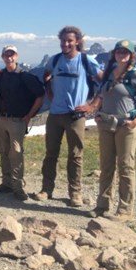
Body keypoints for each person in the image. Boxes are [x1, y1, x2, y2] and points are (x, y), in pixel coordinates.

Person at [79, 40, 136, 222]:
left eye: (125, 52)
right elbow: (103, 94)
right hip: (106, 124)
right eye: (119, 51)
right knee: (106, 165)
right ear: (115, 54)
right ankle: (102, 205)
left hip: (125, 126)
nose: (122, 54)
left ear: (131, 55)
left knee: (126, 166)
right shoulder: (110, 73)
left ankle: (125, 209)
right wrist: (96, 111)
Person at [31, 26, 102, 207]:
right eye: (63, 40)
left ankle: (75, 193)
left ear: (77, 41)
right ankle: (46, 189)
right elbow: (46, 75)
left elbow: (104, 82)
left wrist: (92, 105)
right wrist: (48, 90)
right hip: (55, 114)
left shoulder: (87, 60)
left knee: (75, 155)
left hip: (76, 116)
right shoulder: (54, 60)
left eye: (70, 40)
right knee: (50, 154)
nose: (66, 43)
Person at [0, 45, 45, 201]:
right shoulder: (0, 75)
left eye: (12, 54)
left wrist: (29, 115)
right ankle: (6, 183)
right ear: (2, 57)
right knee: (3, 151)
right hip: (1, 118)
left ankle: (18, 186)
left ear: (17, 56)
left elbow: (40, 95)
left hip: (17, 120)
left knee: (16, 153)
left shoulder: (25, 76)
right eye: (6, 55)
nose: (9, 57)